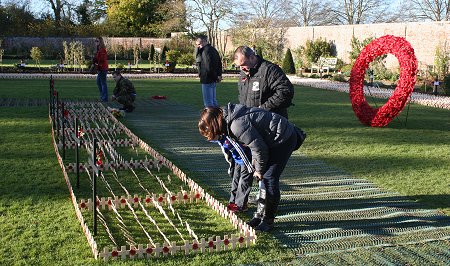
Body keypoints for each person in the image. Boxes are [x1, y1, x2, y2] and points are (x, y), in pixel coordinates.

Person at [198, 103, 299, 232]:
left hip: (283, 138)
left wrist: (258, 170)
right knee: (263, 181)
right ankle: (258, 216)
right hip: (271, 139)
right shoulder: (228, 121)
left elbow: (259, 149)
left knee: (269, 179)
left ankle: (268, 220)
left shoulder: (236, 125)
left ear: (213, 125)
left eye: (208, 132)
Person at [233, 46, 294, 119]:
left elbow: (285, 91)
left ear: (252, 57)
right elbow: (243, 97)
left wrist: (263, 109)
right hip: (251, 120)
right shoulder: (244, 73)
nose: (241, 68)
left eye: (243, 64)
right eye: (239, 66)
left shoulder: (270, 70)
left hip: (271, 120)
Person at [212, 133, 254, 213]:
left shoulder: (228, 139)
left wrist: (249, 166)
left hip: (246, 158)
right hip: (237, 159)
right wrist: (231, 165)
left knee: (244, 181)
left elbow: (242, 151)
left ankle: (240, 205)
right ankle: (232, 201)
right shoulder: (220, 140)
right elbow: (227, 153)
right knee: (236, 178)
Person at [195, 35, 222, 107]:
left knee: (208, 102)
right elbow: (219, 63)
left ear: (204, 42)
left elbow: (208, 67)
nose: (198, 46)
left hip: (207, 78)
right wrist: (218, 75)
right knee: (213, 100)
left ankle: (211, 117)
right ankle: (216, 116)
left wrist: (216, 77)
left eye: (199, 44)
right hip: (212, 77)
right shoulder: (213, 49)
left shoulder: (205, 51)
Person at [93, 37, 109, 102]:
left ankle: (104, 98)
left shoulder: (103, 50)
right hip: (100, 68)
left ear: (100, 42)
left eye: (97, 41)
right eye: (96, 41)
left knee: (102, 83)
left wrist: (96, 61)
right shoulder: (99, 49)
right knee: (99, 82)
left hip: (103, 68)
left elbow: (103, 59)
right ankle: (103, 97)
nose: (96, 42)